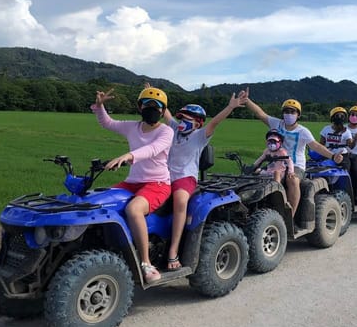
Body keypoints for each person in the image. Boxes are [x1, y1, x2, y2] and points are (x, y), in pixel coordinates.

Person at [92, 86, 174, 283]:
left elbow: (152, 149)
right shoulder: (132, 127)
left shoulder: (166, 131)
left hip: (158, 183)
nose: (152, 109)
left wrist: (128, 156)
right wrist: (100, 106)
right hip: (132, 182)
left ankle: (145, 263)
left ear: (163, 111)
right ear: (140, 108)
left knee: (134, 209)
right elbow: (108, 123)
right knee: (98, 200)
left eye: (157, 106)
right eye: (147, 105)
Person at [163, 91, 248, 270]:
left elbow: (215, 122)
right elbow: (166, 113)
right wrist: (156, 97)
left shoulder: (199, 136)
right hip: (165, 176)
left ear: (198, 122)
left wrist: (231, 107)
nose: (182, 121)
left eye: (187, 119)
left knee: (179, 201)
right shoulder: (173, 131)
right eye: (181, 118)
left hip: (185, 178)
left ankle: (173, 250)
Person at [244, 94, 343, 225]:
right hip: (276, 163)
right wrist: (247, 100)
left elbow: (316, 146)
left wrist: (332, 156)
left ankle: (288, 218)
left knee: (293, 180)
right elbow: (260, 113)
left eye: (292, 111)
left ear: (298, 115)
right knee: (255, 176)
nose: (288, 114)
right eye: (286, 111)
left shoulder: (303, 131)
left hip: (295, 165)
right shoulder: (277, 124)